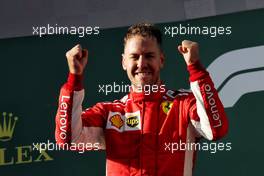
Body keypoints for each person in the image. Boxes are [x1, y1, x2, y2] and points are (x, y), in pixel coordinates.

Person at [55, 23, 228, 176]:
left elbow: (215, 129)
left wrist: (196, 69)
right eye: (134, 56)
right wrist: (74, 78)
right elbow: (68, 138)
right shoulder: (110, 112)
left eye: (149, 56)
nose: (142, 63)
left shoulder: (184, 104)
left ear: (161, 60)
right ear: (124, 62)